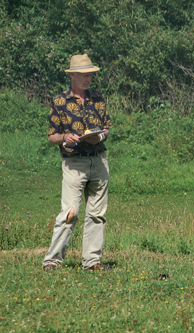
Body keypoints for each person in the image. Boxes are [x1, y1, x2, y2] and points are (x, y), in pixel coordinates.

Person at [43, 54, 113, 271]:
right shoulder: (59, 102)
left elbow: (107, 127)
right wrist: (65, 137)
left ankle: (92, 262)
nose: (88, 79)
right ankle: (52, 261)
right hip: (74, 163)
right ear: (72, 75)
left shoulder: (98, 99)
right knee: (70, 213)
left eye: (90, 74)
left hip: (98, 161)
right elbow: (52, 136)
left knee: (97, 214)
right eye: (84, 75)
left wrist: (99, 136)